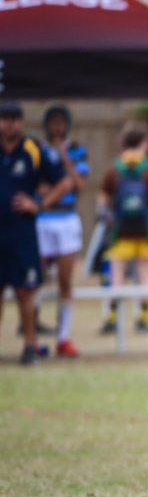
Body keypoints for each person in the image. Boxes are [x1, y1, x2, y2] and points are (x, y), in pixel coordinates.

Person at [0, 99, 71, 365]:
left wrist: (39, 203)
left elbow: (64, 182)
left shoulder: (33, 149)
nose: (10, 124)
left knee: (25, 292)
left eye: (14, 119)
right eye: (5, 119)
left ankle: (30, 346)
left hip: (21, 234)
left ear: (22, 122)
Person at [98, 122, 148, 333]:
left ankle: (112, 319)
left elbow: (103, 199)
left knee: (117, 275)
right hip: (146, 231)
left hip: (120, 232)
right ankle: (143, 319)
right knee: (145, 273)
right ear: (144, 143)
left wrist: (109, 215)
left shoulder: (114, 168)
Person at [36, 104, 88, 357]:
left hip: (66, 219)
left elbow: (78, 185)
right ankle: (32, 337)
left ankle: (63, 337)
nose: (57, 127)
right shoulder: (36, 150)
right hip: (42, 220)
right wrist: (58, 187)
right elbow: (36, 187)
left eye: (61, 122)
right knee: (33, 279)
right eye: (53, 122)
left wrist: (64, 159)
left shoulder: (77, 150)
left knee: (65, 281)